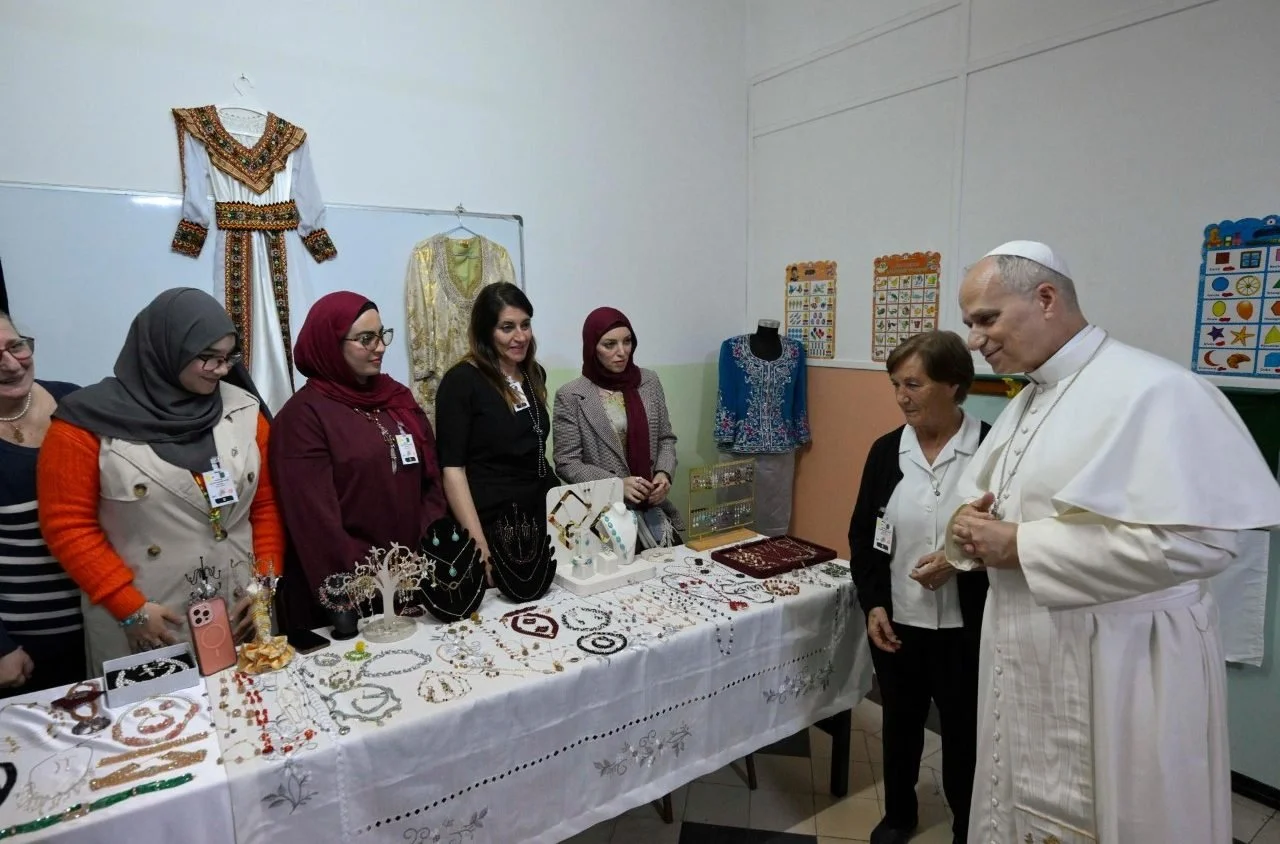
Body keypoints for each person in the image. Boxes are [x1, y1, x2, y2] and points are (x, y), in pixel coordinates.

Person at [948, 241, 1280, 844]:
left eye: (986, 318)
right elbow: (1002, 504)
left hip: (1123, 659)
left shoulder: (1156, 390)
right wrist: (969, 529)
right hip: (1024, 642)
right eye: (970, 323)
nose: (975, 339)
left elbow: (1202, 545)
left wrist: (1023, 545)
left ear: (1046, 299)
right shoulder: (1031, 397)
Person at [38, 288, 284, 670]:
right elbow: (67, 526)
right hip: (148, 618)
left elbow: (265, 507)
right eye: (207, 357)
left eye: (228, 357)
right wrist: (128, 606)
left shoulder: (243, 409)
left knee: (254, 718)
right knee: (161, 725)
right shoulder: (84, 424)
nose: (221, 369)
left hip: (241, 609)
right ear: (166, 349)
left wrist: (264, 586)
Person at [848, 331, 987, 844]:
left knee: (963, 733)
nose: (901, 396)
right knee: (901, 725)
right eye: (895, 385)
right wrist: (874, 604)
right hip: (899, 622)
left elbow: (1014, 541)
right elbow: (863, 535)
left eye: (914, 384)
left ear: (954, 385)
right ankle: (900, 814)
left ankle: (968, 824)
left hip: (964, 628)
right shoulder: (888, 451)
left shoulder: (989, 450)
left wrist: (958, 562)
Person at [271, 291, 447, 631]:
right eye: (365, 339)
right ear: (329, 344)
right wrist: (374, 581)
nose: (379, 347)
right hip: (354, 597)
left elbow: (431, 480)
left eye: (382, 335)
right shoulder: (303, 418)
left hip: (416, 579)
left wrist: (421, 554)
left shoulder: (396, 398)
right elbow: (317, 523)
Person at [435, 282, 557, 567]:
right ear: (485, 332)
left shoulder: (533, 374)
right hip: (494, 524)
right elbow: (452, 470)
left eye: (525, 325)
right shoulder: (462, 382)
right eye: (507, 327)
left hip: (541, 516)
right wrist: (480, 547)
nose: (520, 336)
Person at [0, 313, 84, 696]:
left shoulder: (75, 402)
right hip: (26, 647)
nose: (12, 362)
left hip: (107, 621)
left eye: (16, 345)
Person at [553, 307, 684, 548]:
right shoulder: (572, 395)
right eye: (609, 344)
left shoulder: (649, 382)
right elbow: (567, 461)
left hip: (653, 509)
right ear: (592, 347)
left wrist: (664, 474)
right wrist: (616, 484)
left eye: (627, 342)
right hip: (603, 517)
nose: (621, 352)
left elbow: (665, 438)